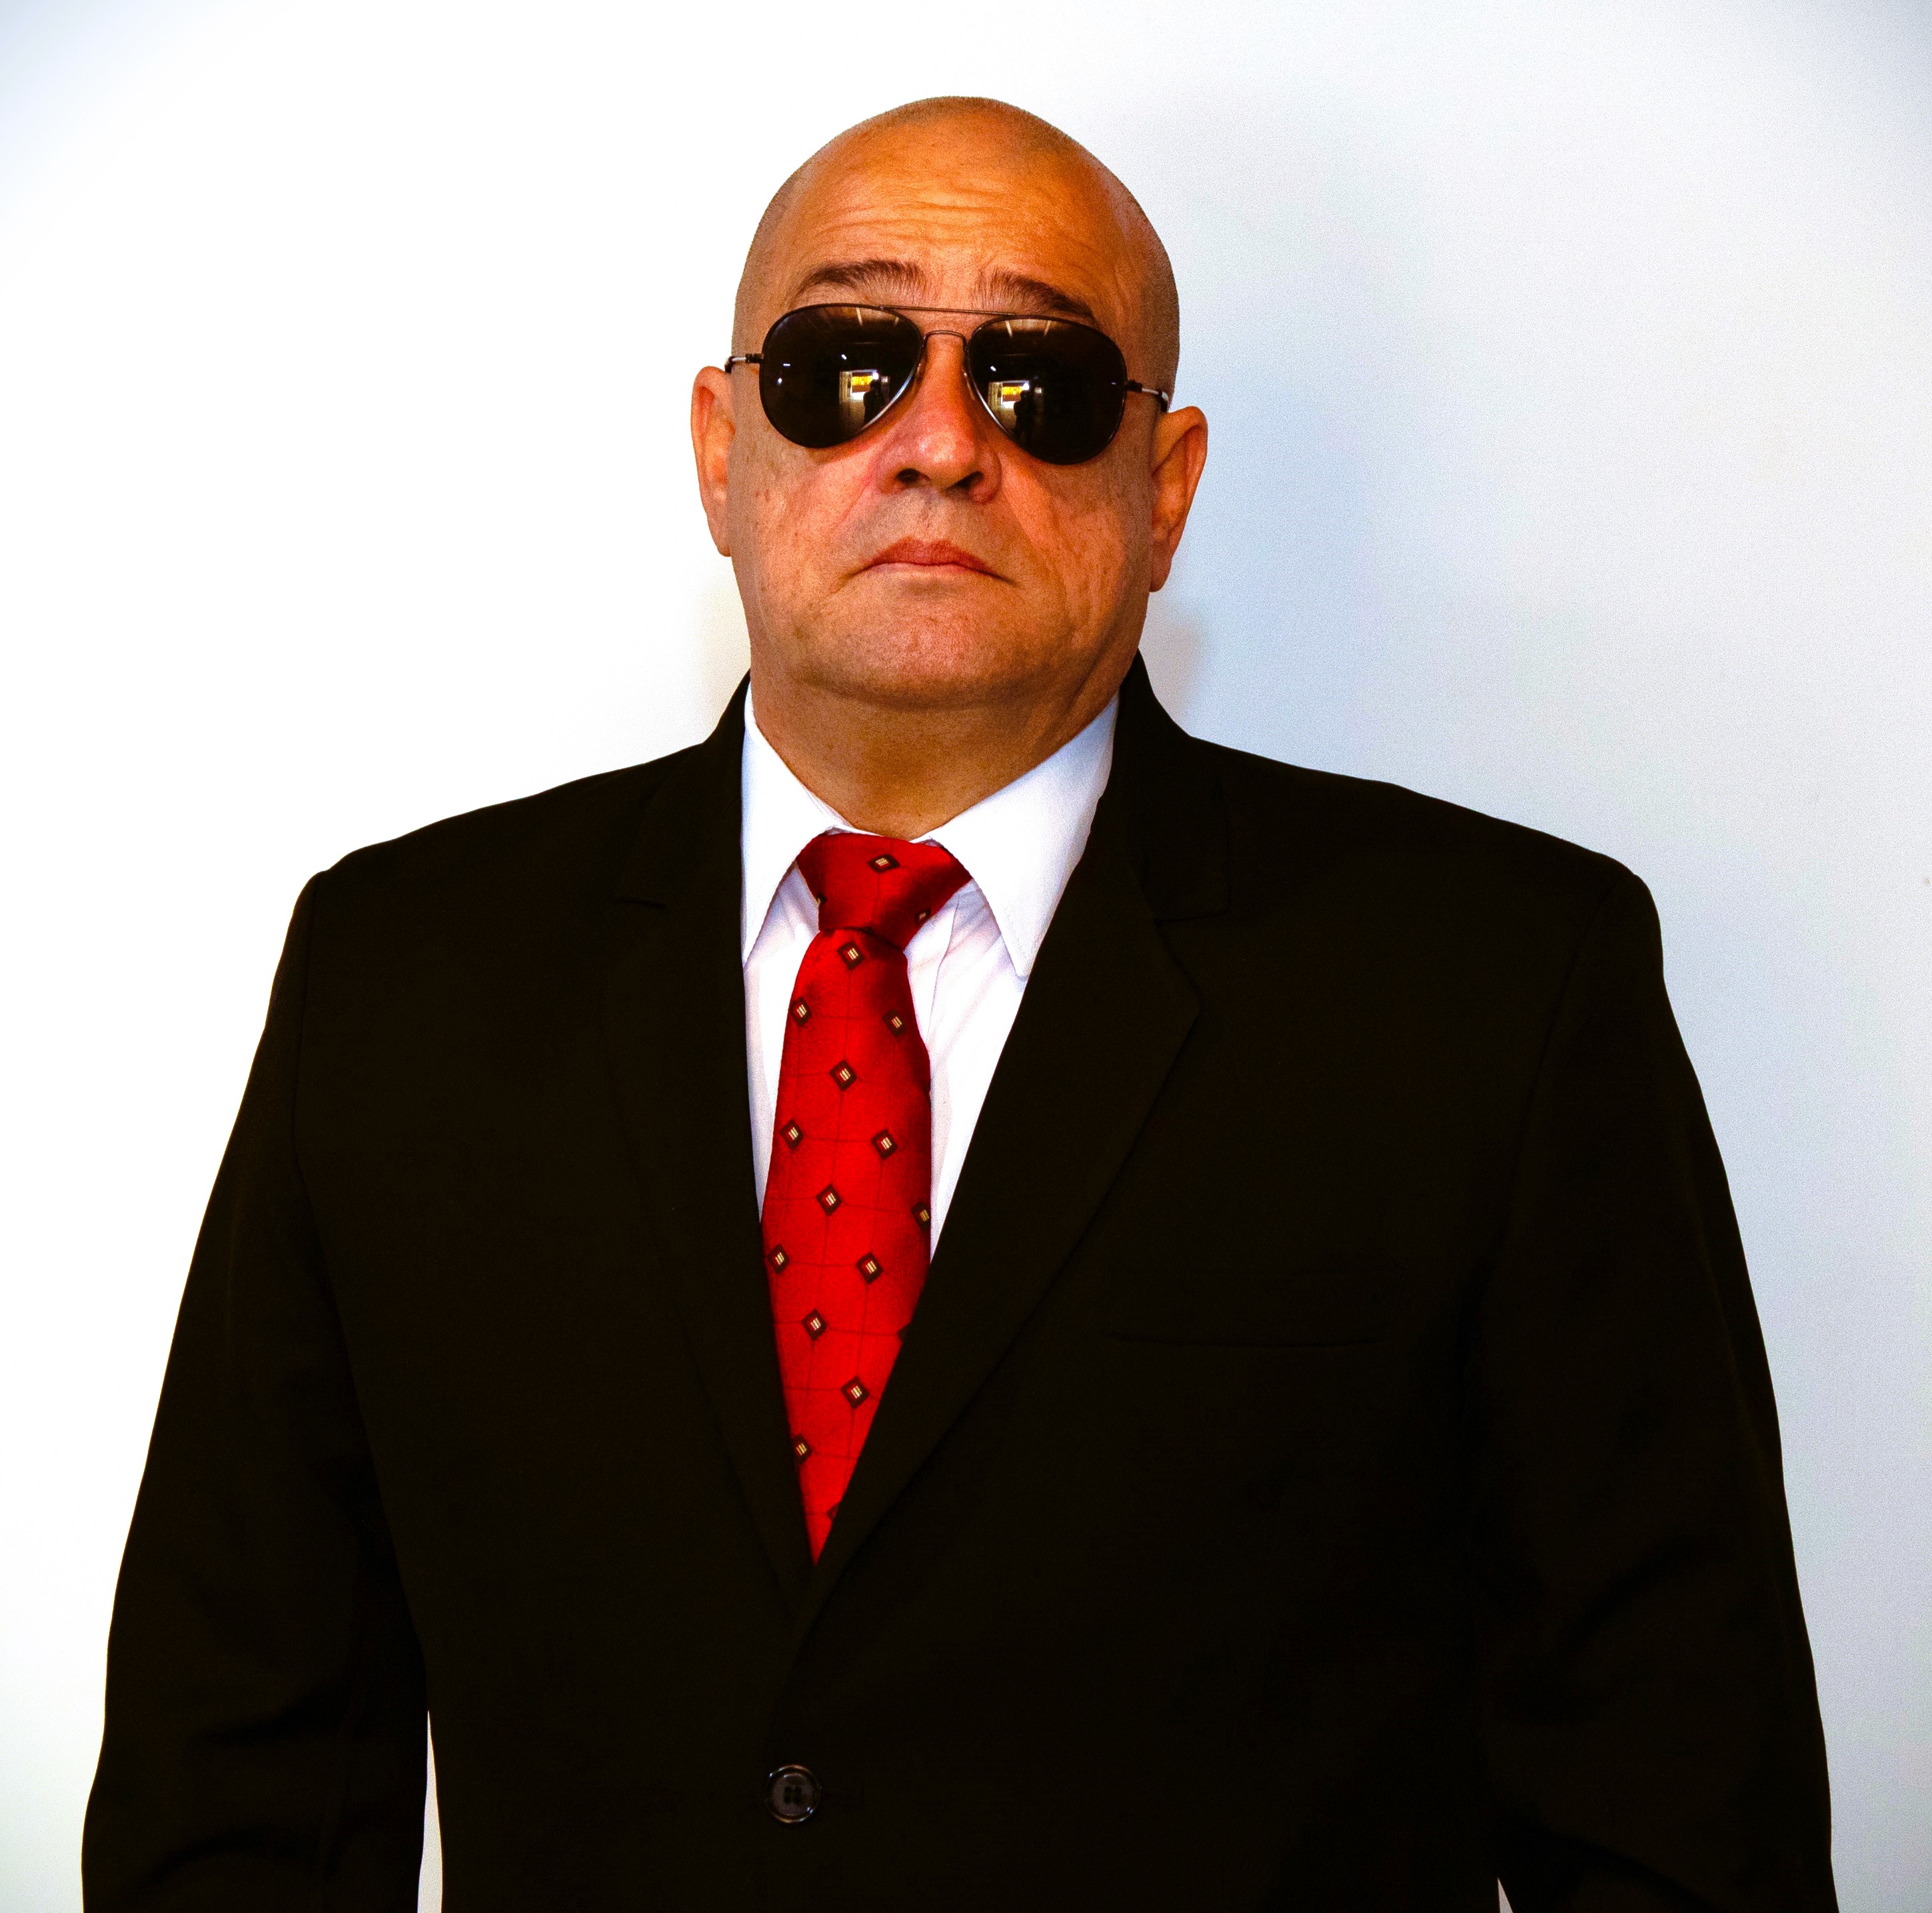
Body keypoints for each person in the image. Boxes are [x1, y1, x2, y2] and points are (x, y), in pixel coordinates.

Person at [83, 96, 1836, 1910]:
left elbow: (1675, 1808)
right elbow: (242, 1780)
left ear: (1164, 490)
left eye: (1039, 381)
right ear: (720, 453)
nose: (935, 443)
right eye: (841, 366)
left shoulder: (1494, 992)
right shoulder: (403, 978)